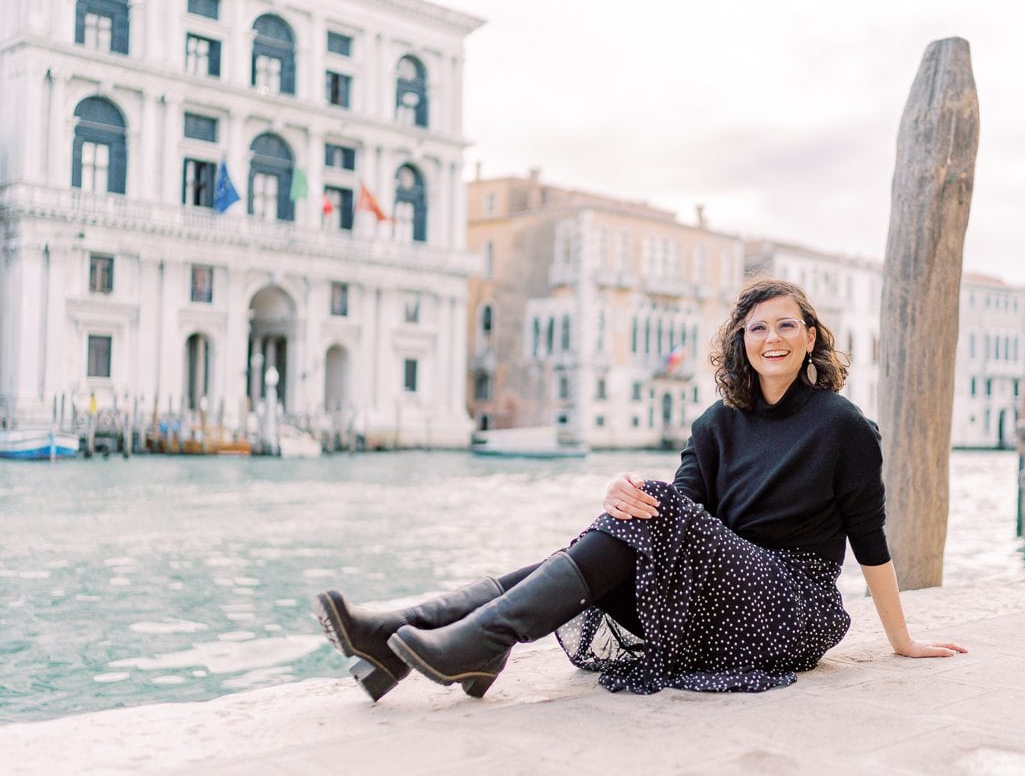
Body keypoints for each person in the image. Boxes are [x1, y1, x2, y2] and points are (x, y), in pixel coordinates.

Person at [314, 279, 966, 701]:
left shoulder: (843, 424)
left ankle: (472, 640)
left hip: (790, 608)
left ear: (811, 337)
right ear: (740, 341)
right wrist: (616, 488)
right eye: (758, 327)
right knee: (644, 503)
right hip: (711, 598)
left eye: (787, 325)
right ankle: (404, 635)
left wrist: (902, 639)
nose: (773, 338)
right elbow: (671, 514)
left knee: (651, 505)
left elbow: (870, 538)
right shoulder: (716, 424)